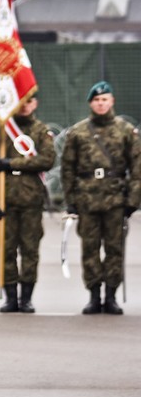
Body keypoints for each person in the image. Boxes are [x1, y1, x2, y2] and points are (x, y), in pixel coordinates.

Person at [61, 81, 141, 315]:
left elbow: (137, 167)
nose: (101, 103)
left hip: (116, 199)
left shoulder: (126, 131)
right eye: (96, 100)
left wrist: (133, 201)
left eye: (104, 99)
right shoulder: (78, 132)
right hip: (87, 199)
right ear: (90, 104)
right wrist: (71, 201)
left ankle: (112, 296)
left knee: (115, 248)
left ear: (112, 101)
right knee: (90, 249)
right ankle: (94, 295)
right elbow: (68, 168)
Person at [0, 96, 55, 313]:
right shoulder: (0, 132)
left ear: (35, 104)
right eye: (21, 101)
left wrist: (12, 163)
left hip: (31, 201)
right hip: (6, 200)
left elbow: (47, 160)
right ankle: (10, 297)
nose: (25, 106)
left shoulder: (42, 131)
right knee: (6, 249)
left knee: (30, 250)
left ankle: (26, 298)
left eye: (29, 101)